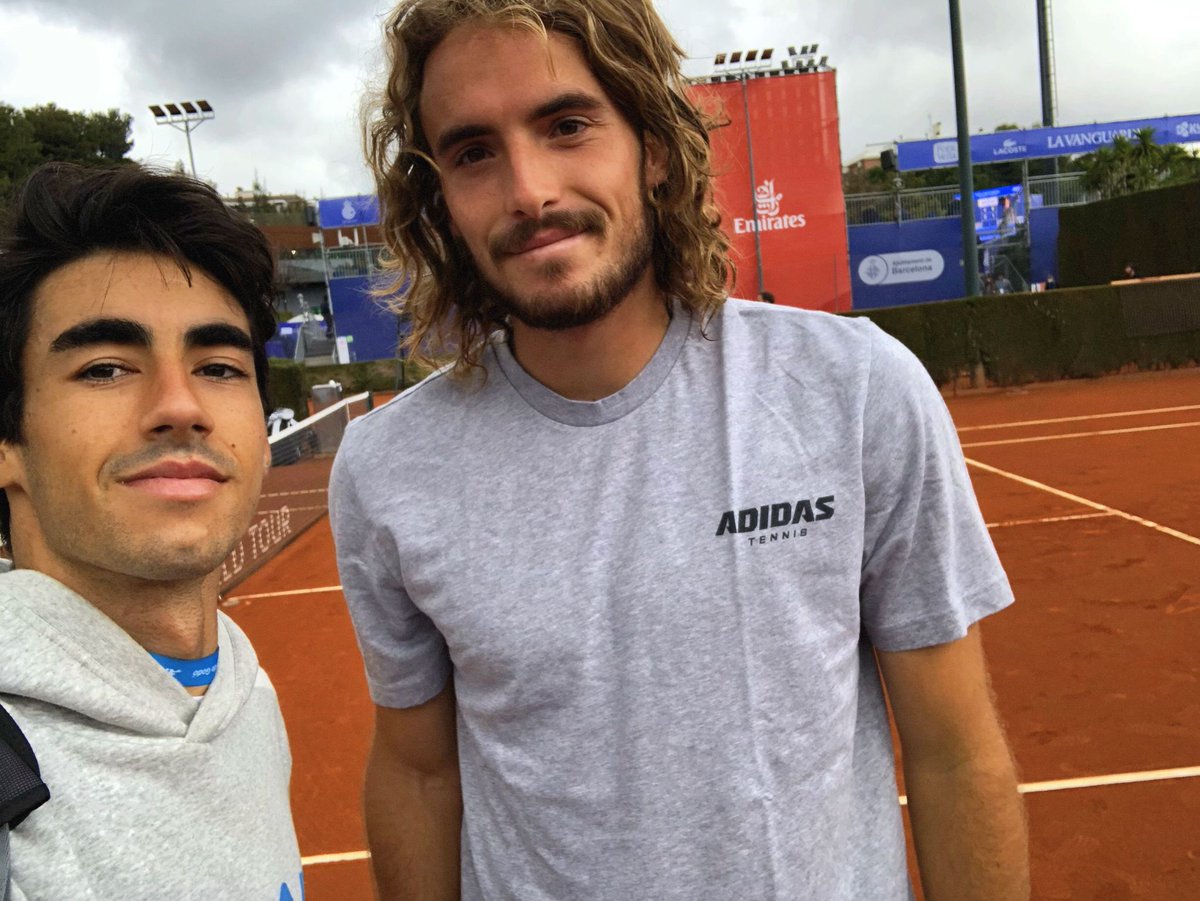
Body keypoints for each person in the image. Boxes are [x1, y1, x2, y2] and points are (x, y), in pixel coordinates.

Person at [332, 1, 1029, 899]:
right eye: (473, 152)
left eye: (567, 125)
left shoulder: (856, 389)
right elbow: (419, 772)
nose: (528, 190)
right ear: (440, 202)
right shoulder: (386, 469)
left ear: (653, 147)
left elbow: (952, 749)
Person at [0, 163, 303, 900]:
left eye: (219, 367)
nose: (181, 406)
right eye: (105, 368)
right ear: (8, 447)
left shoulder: (247, 694)